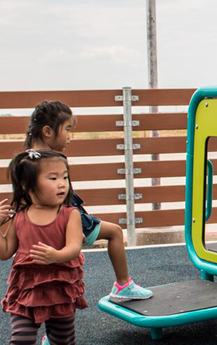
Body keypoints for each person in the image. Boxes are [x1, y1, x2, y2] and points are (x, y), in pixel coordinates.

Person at [0, 149, 88, 345]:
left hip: (59, 288)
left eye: (64, 177)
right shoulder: (20, 217)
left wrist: (57, 255)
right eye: (52, 178)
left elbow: (75, 246)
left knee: (62, 340)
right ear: (26, 185)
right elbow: (5, 252)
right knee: (21, 338)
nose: (62, 184)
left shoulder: (69, 214)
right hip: (26, 290)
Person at [24, 101, 152, 306]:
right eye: (67, 129)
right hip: (65, 218)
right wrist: (69, 229)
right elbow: (55, 200)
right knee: (115, 233)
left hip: (56, 220)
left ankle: (52, 335)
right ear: (48, 131)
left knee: (54, 283)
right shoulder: (49, 160)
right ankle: (123, 285)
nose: (70, 136)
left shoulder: (28, 158)